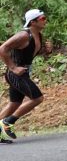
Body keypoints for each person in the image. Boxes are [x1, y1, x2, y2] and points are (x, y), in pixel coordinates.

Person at [0, 9, 53, 144]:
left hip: (23, 72)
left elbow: (29, 54)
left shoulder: (38, 36)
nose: (45, 20)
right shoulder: (23, 35)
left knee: (15, 103)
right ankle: (8, 122)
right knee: (37, 98)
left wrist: (46, 51)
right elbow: (2, 49)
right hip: (16, 74)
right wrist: (13, 67)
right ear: (33, 22)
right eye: (42, 18)